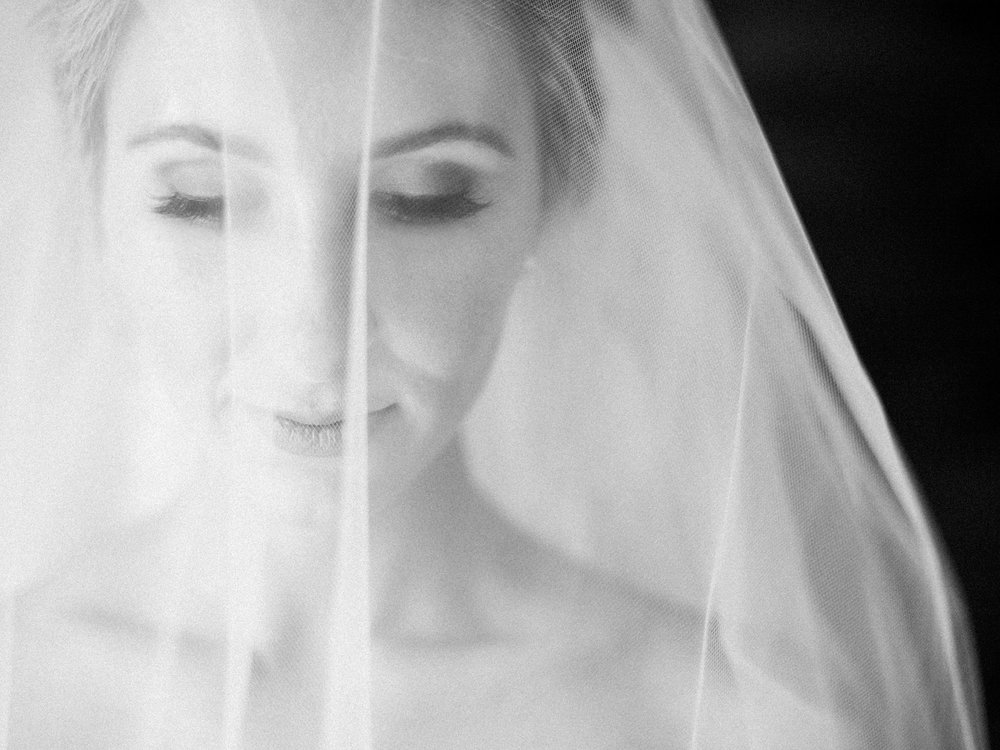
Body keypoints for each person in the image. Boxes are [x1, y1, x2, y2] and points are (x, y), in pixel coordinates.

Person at [0, 0, 984, 747]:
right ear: (94, 203)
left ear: (554, 199)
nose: (312, 331)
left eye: (428, 197)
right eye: (200, 198)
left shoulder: (740, 726)